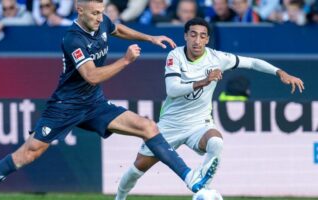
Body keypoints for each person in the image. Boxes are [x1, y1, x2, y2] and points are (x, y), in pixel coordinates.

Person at [0, 1, 212, 200]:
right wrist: (125, 61)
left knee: (147, 127)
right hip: (65, 107)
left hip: (94, 104)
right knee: (28, 153)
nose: (99, 17)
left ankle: (193, 182)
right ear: (79, 9)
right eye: (95, 12)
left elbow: (117, 28)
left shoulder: (101, 20)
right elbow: (91, 75)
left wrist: (149, 38)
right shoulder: (72, 39)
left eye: (102, 11)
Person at [115, 17, 304, 200]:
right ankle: (120, 197)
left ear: (207, 39)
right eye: (193, 35)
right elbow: (172, 90)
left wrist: (280, 72)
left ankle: (202, 188)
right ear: (185, 36)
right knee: (138, 168)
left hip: (199, 123)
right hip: (170, 125)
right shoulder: (175, 55)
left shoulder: (217, 58)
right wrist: (204, 81)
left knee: (216, 142)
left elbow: (252, 62)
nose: (197, 41)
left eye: (202, 36)